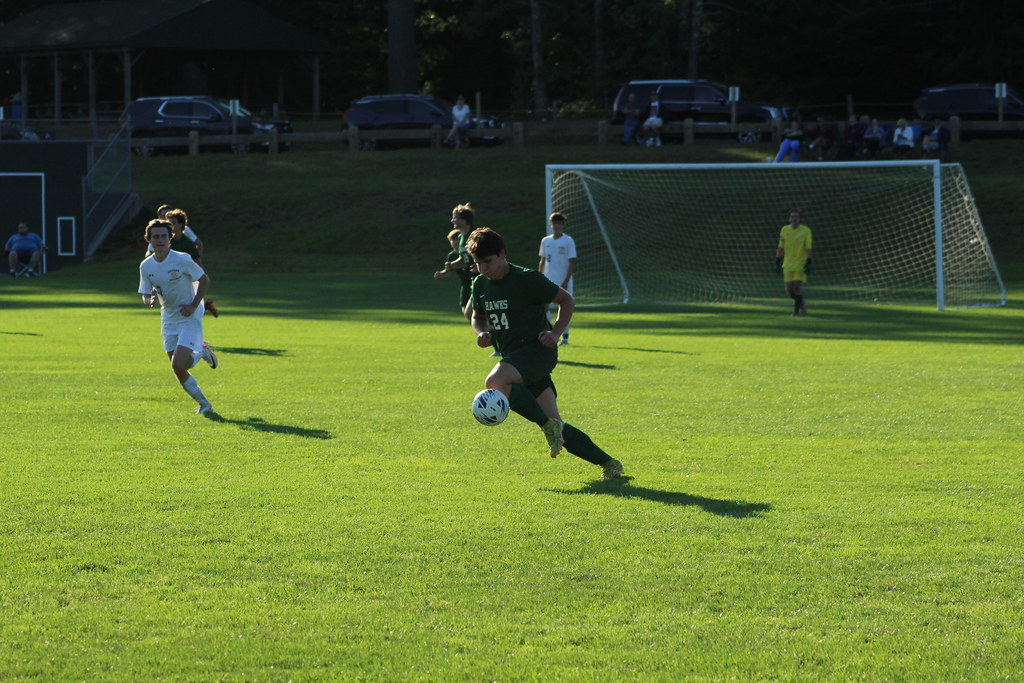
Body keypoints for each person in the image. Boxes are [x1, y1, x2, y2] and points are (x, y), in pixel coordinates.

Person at [466, 227, 624, 479]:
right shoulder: (480, 284)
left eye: (488, 261)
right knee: (558, 424)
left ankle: (545, 426)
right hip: (515, 357)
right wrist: (481, 333)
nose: (484, 268)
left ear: (502, 254)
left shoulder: (527, 279)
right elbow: (477, 316)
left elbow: (567, 300)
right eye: (478, 263)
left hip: (538, 352)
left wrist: (556, 333)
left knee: (495, 382)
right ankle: (609, 464)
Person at [138, 219, 219, 415]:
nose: (160, 240)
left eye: (164, 236)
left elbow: (204, 280)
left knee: (177, 362)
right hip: (169, 317)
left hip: (189, 315)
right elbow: (146, 292)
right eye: (156, 237)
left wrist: (193, 305)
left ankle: (200, 351)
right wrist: (148, 300)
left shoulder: (182, 259)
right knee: (178, 368)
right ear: (149, 240)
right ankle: (204, 403)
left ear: (170, 238)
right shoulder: (146, 266)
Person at [149, 207, 219, 317]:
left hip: (184, 277)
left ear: (181, 225)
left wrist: (197, 271)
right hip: (169, 276)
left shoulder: (187, 243)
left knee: (188, 302)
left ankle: (200, 308)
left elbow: (197, 254)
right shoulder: (163, 239)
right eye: (168, 222)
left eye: (173, 222)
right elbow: (152, 256)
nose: (170, 225)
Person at [537, 211, 576, 346]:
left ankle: (564, 336)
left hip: (563, 280)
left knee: (565, 306)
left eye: (559, 223)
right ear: (551, 224)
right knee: (544, 305)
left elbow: (572, 261)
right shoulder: (545, 241)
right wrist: (539, 277)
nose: (557, 226)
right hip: (549, 279)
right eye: (555, 223)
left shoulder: (568, 241)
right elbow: (542, 260)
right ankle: (549, 331)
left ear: (563, 225)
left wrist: (566, 280)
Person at [440, 202, 476, 322]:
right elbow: (463, 260)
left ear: (464, 219)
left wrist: (480, 266)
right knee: (468, 313)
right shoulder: (461, 237)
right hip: (470, 281)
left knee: (472, 313)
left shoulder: (475, 235)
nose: (452, 220)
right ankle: (489, 336)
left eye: (455, 217)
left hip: (482, 278)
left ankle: (490, 335)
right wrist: (451, 265)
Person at [775, 209, 813, 317]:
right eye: (792, 216)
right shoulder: (784, 230)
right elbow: (780, 247)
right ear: (789, 219)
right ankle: (801, 302)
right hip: (787, 264)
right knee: (789, 290)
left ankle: (796, 312)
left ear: (800, 219)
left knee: (797, 288)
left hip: (800, 264)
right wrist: (777, 261)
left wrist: (809, 262)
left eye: (796, 217)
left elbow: (808, 248)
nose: (794, 218)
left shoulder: (806, 231)